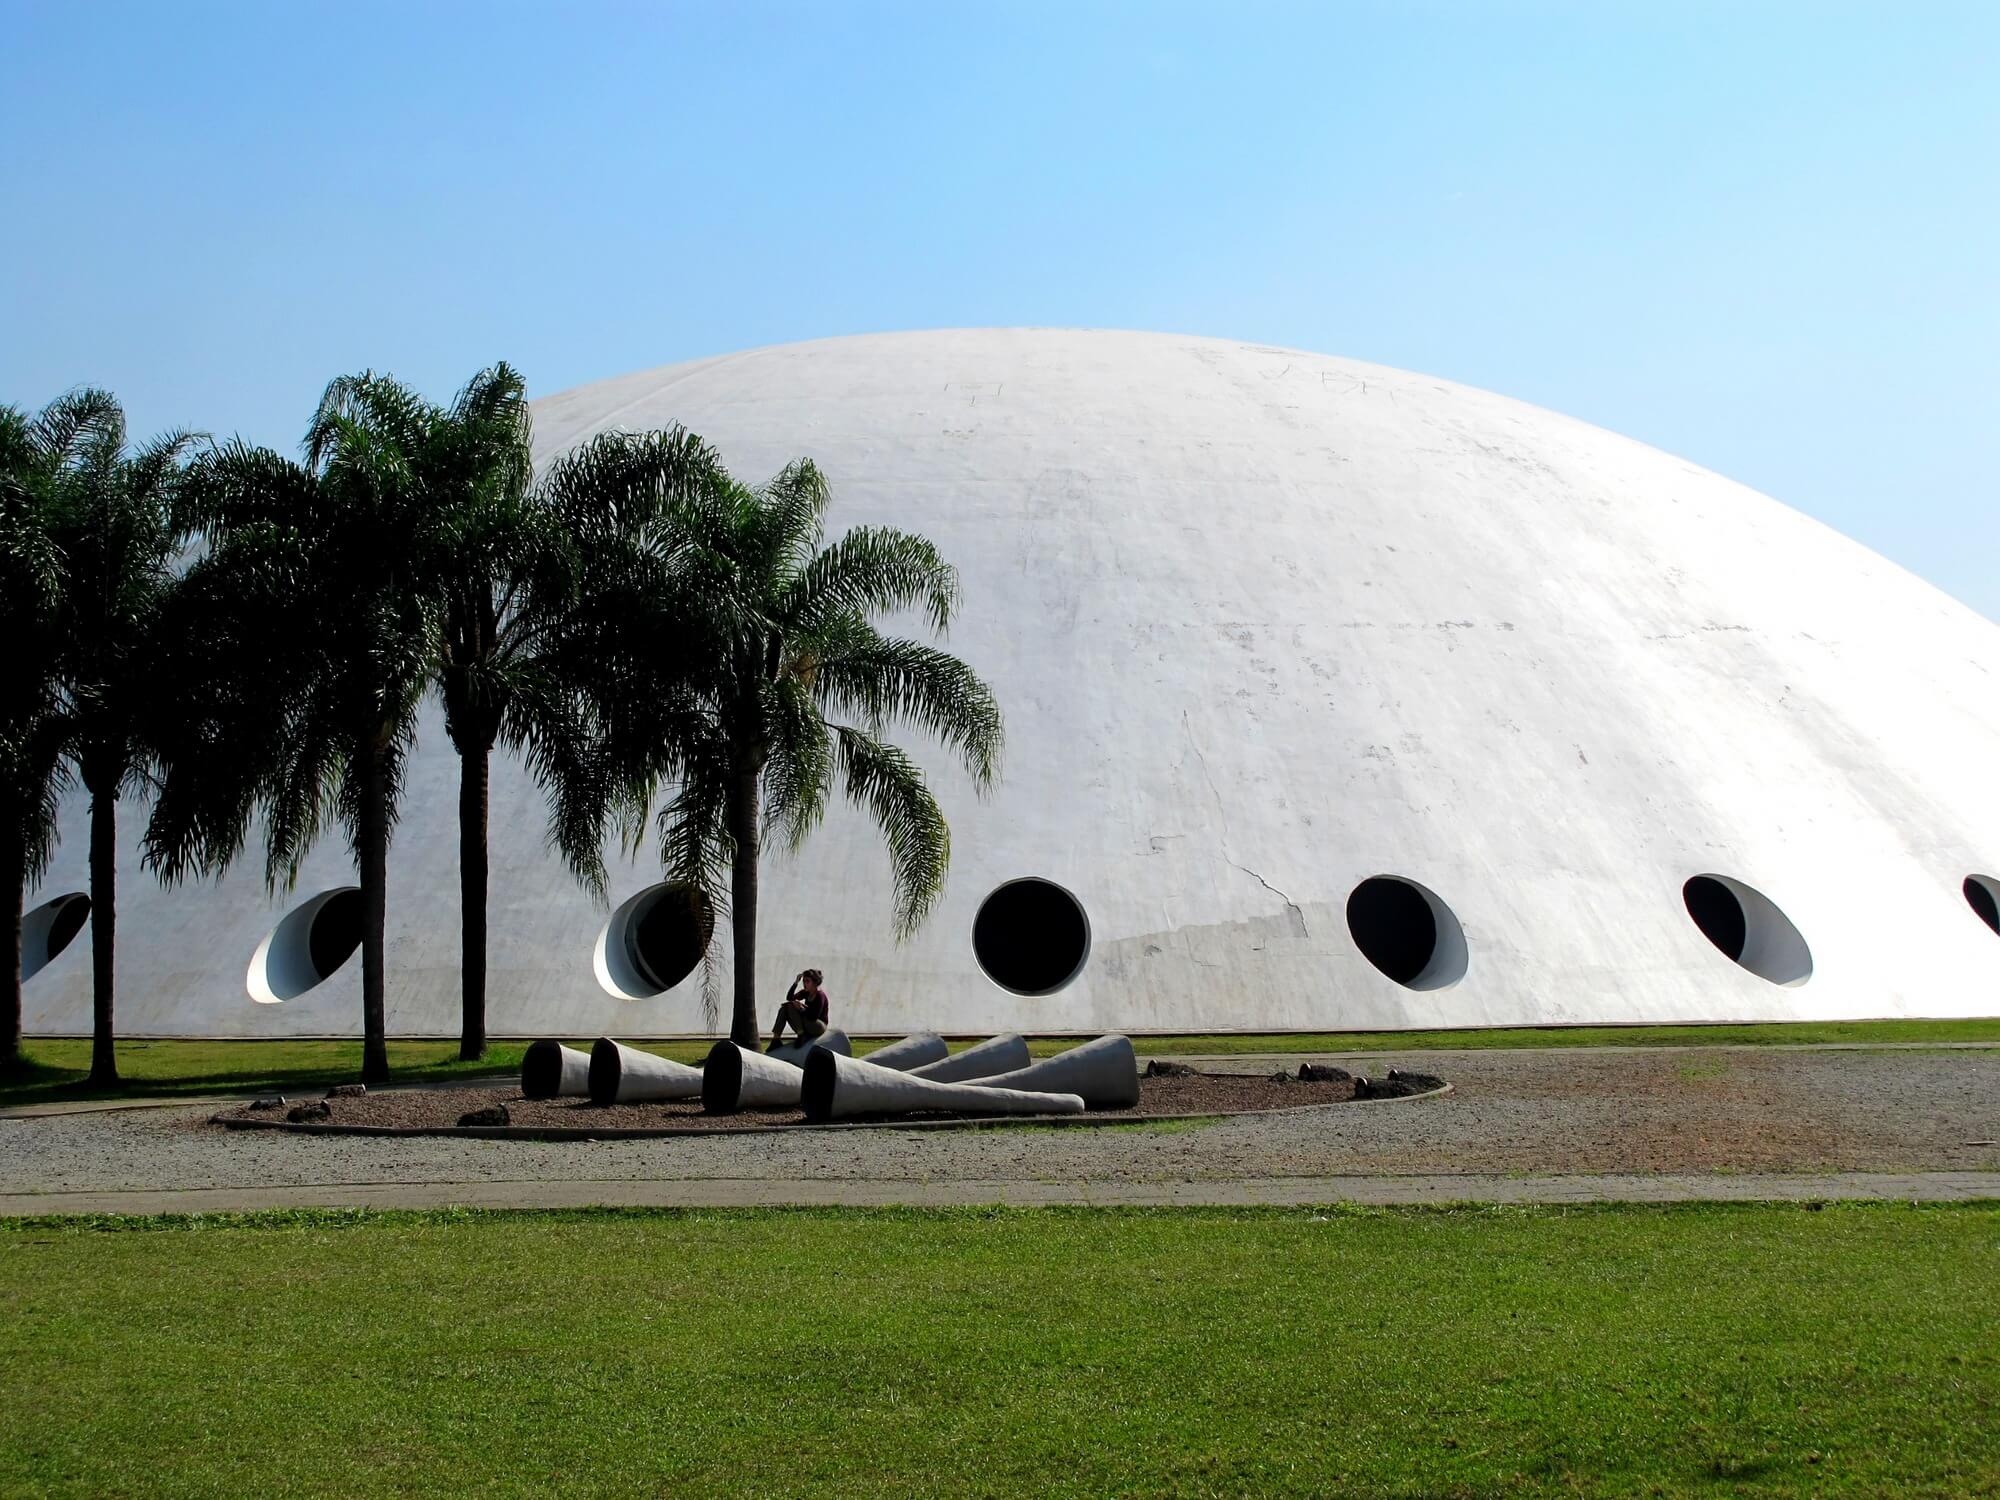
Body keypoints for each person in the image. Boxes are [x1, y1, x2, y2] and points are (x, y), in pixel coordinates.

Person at [769, 969, 830, 1049]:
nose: (805, 984)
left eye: (807, 981)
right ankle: (776, 1039)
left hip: (818, 1026)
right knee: (785, 1008)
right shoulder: (806, 992)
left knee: (791, 1006)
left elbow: (814, 1016)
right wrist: (796, 982)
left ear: (815, 982)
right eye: (804, 981)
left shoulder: (820, 995)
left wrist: (801, 1008)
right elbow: (790, 997)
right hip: (808, 1021)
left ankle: (801, 1035)